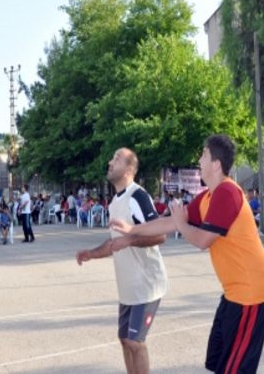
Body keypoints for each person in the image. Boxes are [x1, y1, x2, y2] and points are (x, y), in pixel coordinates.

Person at [110, 135, 264, 373]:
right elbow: (169, 223)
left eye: (204, 155)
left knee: (235, 369)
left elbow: (202, 240)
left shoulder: (227, 193)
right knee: (217, 361)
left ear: (216, 164)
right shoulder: (208, 196)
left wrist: (181, 224)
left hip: (252, 293)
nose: (199, 160)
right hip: (234, 292)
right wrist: (132, 229)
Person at [77, 148, 167, 374]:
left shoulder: (138, 196)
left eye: (116, 159)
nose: (110, 162)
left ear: (129, 169)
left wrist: (130, 240)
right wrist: (90, 253)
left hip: (146, 285)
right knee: (125, 340)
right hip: (129, 288)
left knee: (136, 342)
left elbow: (160, 234)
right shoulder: (115, 202)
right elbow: (113, 243)